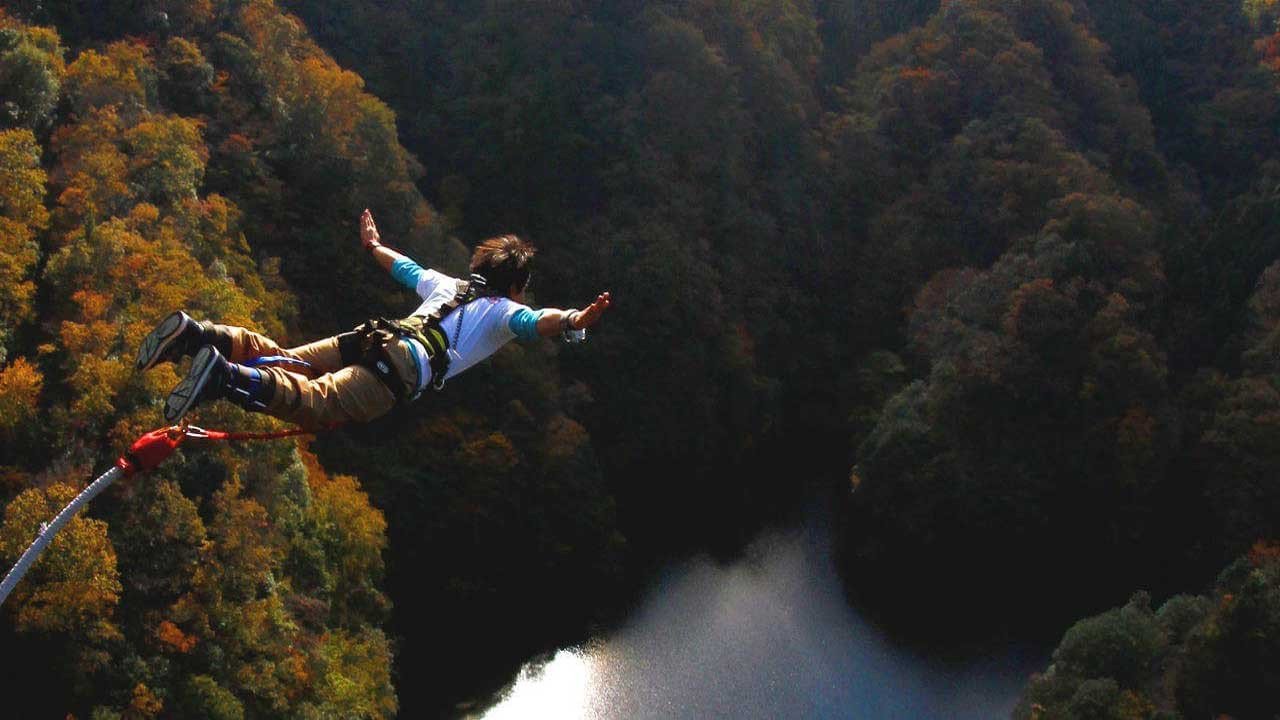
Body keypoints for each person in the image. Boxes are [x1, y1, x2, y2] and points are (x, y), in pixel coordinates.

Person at [138, 209, 611, 429]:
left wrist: (372, 246)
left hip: (372, 337)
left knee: (281, 360)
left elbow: (405, 268)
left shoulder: (449, 284)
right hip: (400, 368)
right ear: (515, 287)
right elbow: (538, 322)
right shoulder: (504, 311)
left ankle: (196, 335)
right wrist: (574, 318)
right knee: (317, 403)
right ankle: (220, 377)